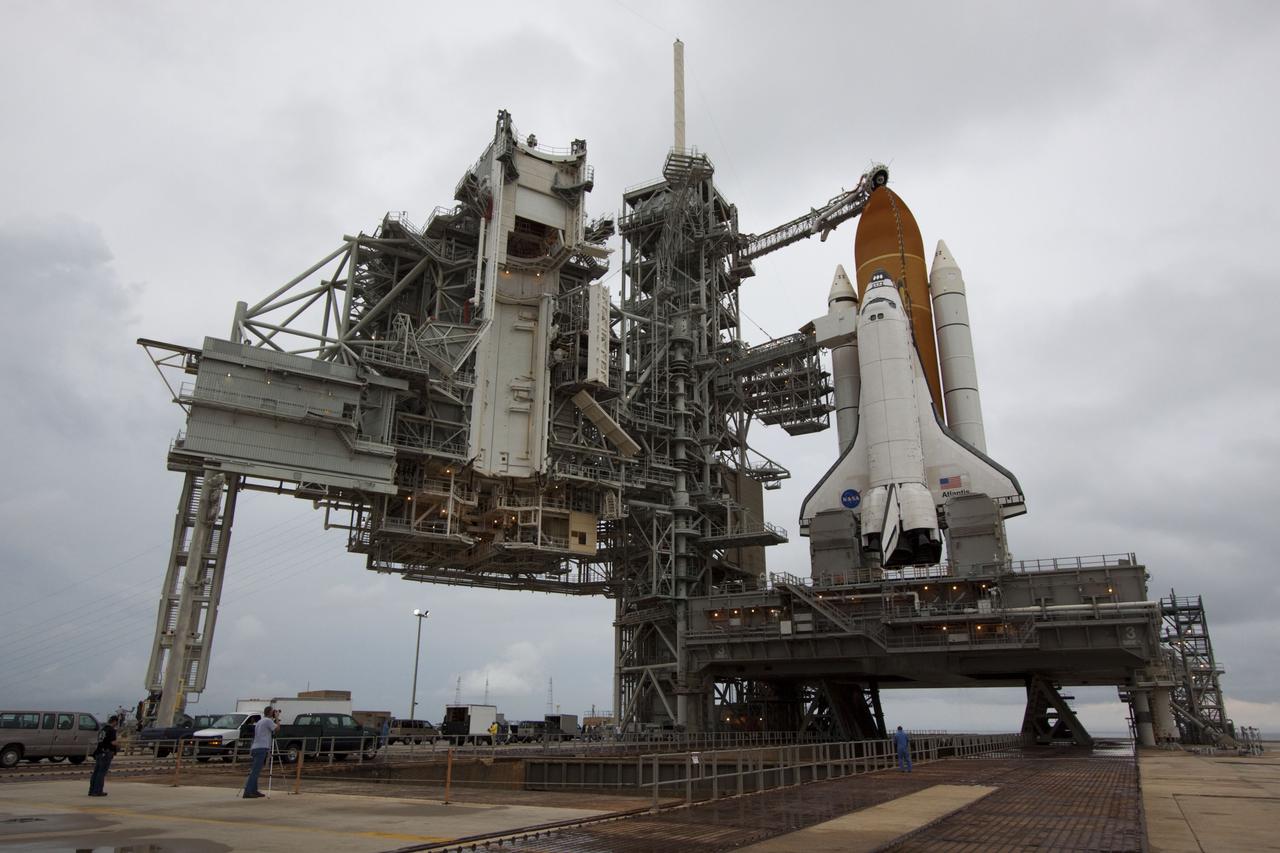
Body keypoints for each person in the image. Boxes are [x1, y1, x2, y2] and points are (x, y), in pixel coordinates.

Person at [242, 707, 279, 799]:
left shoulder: (260, 721)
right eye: (273, 711)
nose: (274, 713)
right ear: (270, 712)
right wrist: (277, 718)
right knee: (255, 771)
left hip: (255, 747)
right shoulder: (267, 721)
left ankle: (254, 790)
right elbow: (277, 729)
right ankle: (248, 791)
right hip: (261, 748)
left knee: (255, 770)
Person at [88, 715, 120, 796]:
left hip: (99, 752)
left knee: (96, 772)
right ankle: (97, 791)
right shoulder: (112, 730)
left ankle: (91, 790)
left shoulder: (103, 729)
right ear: (115, 722)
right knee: (101, 773)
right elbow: (113, 742)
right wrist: (118, 744)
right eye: (117, 722)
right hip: (106, 752)